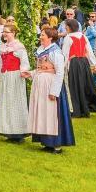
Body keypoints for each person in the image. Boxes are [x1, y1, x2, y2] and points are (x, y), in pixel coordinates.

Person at [28, 26, 73, 154]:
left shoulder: (55, 52)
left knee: (53, 115)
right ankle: (46, 142)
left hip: (51, 86)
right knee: (43, 112)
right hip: (41, 86)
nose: (40, 37)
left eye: (43, 35)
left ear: (50, 37)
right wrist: (30, 74)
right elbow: (40, 68)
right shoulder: (41, 49)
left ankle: (56, 144)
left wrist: (54, 91)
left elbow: (59, 72)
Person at [0, 24, 31, 142]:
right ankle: (8, 130)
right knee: (6, 102)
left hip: (15, 76)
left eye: (7, 32)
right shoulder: (3, 46)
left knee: (15, 103)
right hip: (5, 77)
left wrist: (22, 72)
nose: (5, 34)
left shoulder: (19, 46)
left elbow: (25, 63)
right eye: (4, 32)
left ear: (14, 33)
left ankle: (18, 132)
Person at [62, 17, 96, 118]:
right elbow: (89, 51)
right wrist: (94, 62)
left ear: (69, 27)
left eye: (66, 26)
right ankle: (85, 107)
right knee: (84, 84)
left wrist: (62, 67)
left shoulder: (68, 38)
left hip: (74, 63)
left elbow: (65, 54)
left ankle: (76, 109)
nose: (65, 28)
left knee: (75, 85)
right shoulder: (83, 36)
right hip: (84, 62)